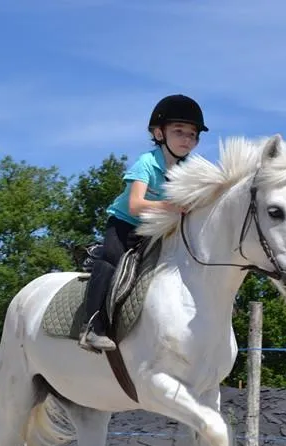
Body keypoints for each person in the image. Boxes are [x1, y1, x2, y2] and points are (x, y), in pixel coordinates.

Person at [80, 94, 209, 352]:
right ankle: (92, 327)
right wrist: (172, 207)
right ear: (159, 134)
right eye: (179, 131)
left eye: (193, 134)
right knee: (111, 260)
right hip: (125, 225)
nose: (187, 139)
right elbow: (135, 205)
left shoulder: (192, 167)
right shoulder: (147, 163)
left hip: (159, 229)